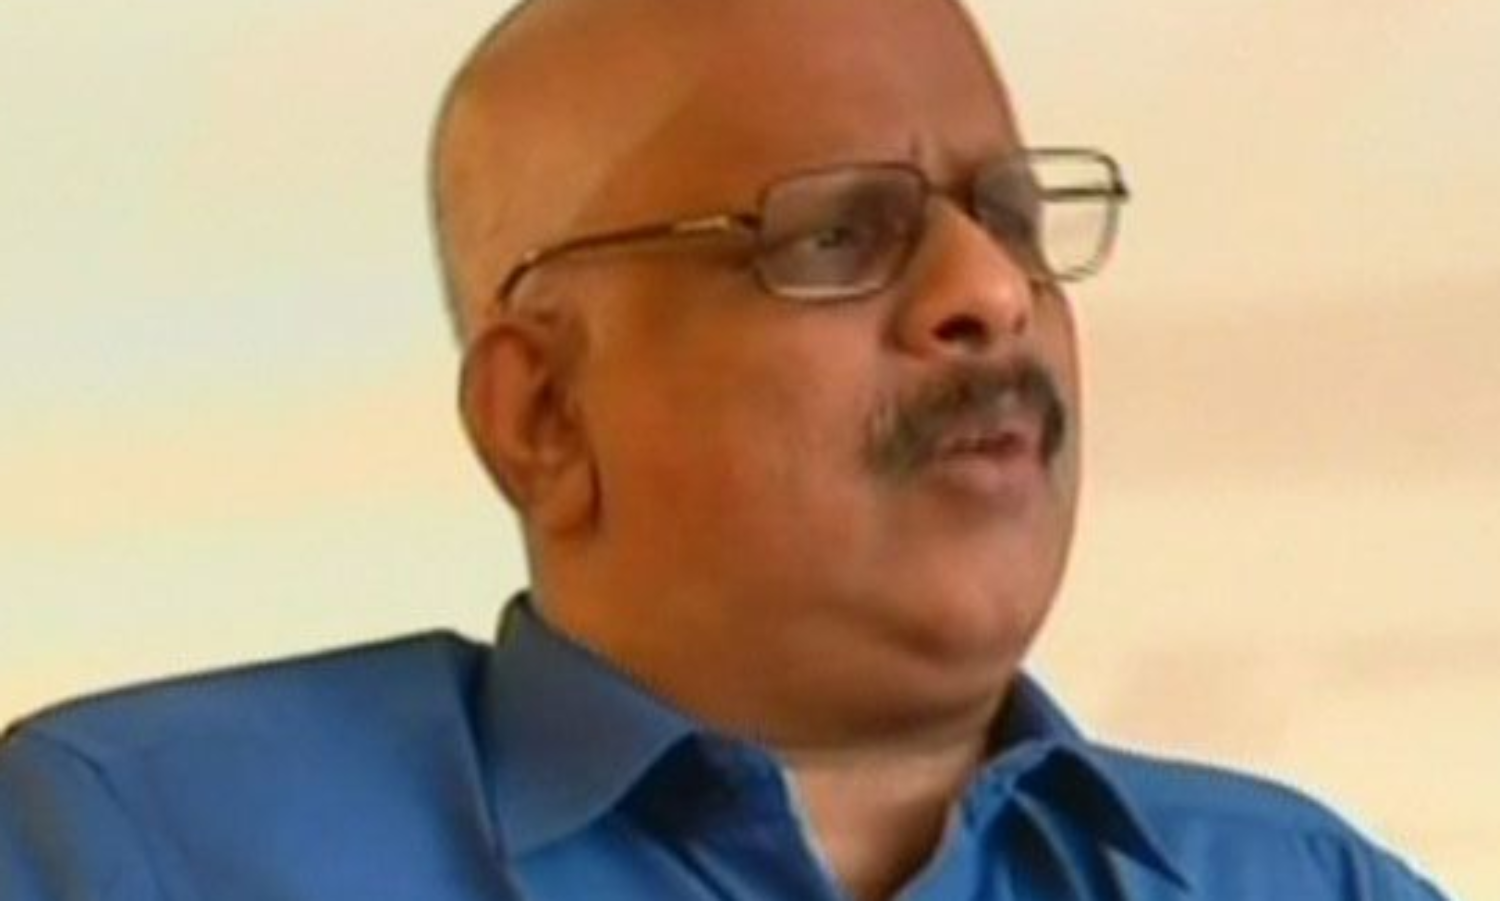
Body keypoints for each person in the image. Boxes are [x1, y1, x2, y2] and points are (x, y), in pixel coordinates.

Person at [0, 0, 1452, 898]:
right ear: (542, 414)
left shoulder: (1306, 883)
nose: (992, 293)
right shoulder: (139, 846)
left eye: (1011, 219)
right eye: (836, 236)